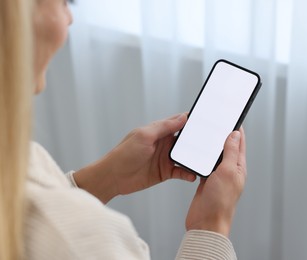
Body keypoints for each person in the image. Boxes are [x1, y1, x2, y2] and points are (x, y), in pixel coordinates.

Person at [0, 0, 247, 259]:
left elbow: (23, 214)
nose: (70, 18)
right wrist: (210, 228)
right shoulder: (84, 244)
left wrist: (106, 178)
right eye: (65, 2)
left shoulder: (18, 162)